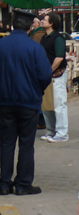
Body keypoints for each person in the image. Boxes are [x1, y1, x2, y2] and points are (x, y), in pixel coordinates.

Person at [0, 10, 53, 195]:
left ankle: (5, 184)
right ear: (30, 26)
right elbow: (46, 75)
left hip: (5, 102)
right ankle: (23, 184)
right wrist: (37, 90)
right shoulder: (35, 48)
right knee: (26, 144)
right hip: (29, 103)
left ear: (13, 25)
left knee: (6, 143)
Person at [40, 12, 69, 143]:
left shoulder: (58, 38)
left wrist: (48, 70)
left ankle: (62, 133)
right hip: (47, 76)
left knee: (59, 104)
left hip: (58, 75)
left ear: (51, 23)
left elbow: (59, 57)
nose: (41, 21)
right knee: (47, 105)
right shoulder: (44, 38)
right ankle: (51, 131)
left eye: (44, 19)